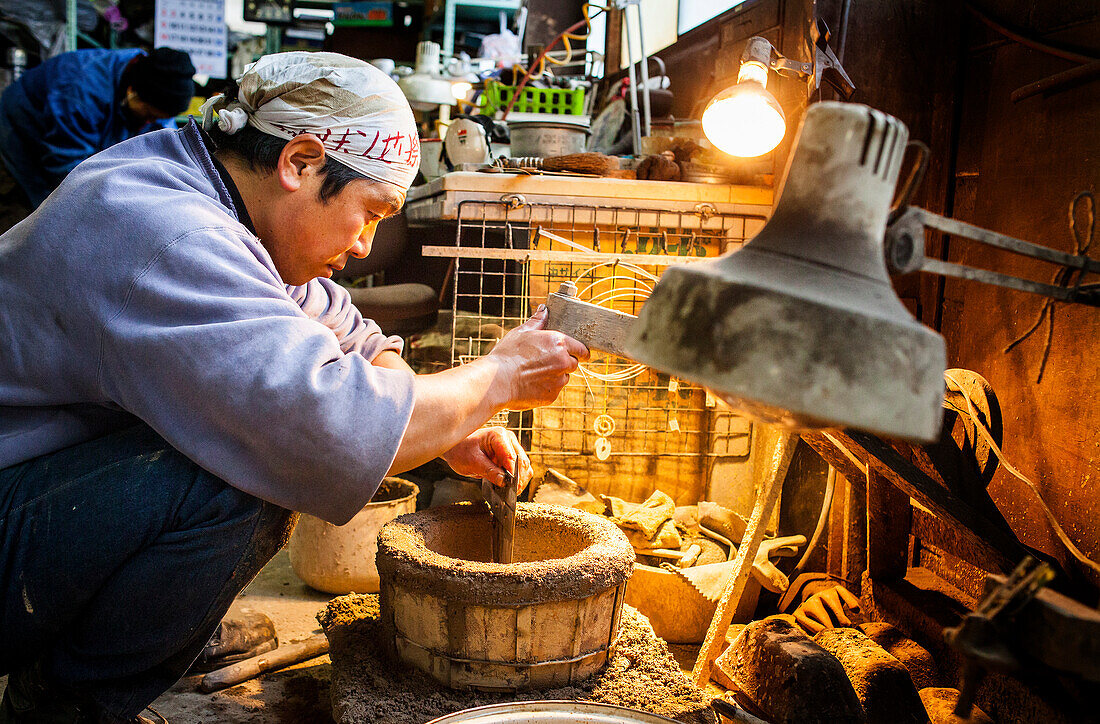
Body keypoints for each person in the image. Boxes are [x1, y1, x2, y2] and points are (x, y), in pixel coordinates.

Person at [0, 51, 588, 723]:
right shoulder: (163, 232)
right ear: (300, 162)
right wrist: (498, 378)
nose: (366, 244)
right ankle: (63, 709)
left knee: (248, 435)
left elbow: (348, 334)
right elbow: (325, 430)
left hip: (28, 489)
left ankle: (130, 633)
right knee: (251, 470)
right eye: (370, 212)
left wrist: (447, 425)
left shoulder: (219, 195)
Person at [0, 46, 196, 231]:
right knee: (22, 225)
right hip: (18, 140)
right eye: (149, 115)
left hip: (70, 145)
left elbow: (163, 151)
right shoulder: (82, 91)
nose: (151, 122)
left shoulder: (157, 88)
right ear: (132, 92)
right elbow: (70, 169)